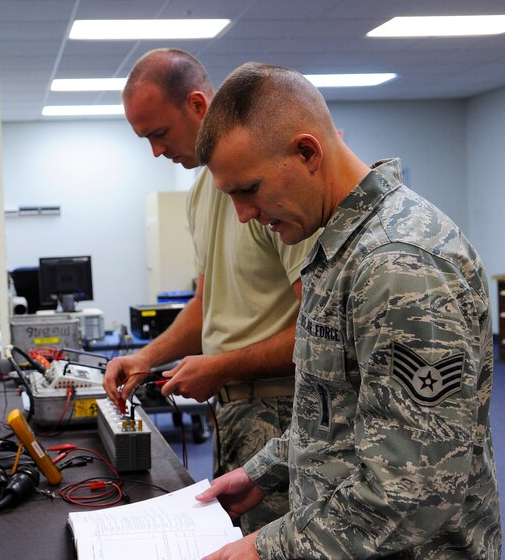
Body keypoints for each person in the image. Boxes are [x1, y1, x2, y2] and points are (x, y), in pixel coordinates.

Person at [193, 61, 502, 559]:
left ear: (307, 152)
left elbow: (411, 491)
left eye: (248, 190)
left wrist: (268, 548)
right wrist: (266, 470)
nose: (244, 214)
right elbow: (337, 410)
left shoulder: (397, 265)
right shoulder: (341, 246)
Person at [102, 48, 318, 534]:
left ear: (198, 106)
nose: (155, 152)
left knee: (270, 545)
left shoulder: (270, 187)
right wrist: (147, 357)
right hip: (233, 409)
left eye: (158, 133)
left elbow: (319, 332)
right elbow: (207, 302)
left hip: (282, 413)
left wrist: (219, 366)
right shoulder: (204, 190)